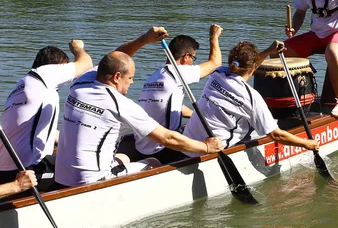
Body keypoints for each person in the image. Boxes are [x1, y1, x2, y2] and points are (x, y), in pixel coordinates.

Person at [55, 51, 223, 187]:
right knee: (153, 161)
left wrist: (145, 39)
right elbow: (167, 138)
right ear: (116, 77)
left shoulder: (80, 84)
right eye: (130, 78)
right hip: (92, 181)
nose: (133, 82)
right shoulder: (120, 103)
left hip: (62, 175)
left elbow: (113, 59)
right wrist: (206, 147)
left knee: (124, 156)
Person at [183, 41, 319, 155]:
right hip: (209, 150)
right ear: (253, 68)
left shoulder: (218, 73)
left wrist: (267, 51)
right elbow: (276, 135)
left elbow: (247, 65)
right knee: (263, 121)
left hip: (187, 143)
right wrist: (307, 143)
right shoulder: (252, 97)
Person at [0, 41, 93, 190]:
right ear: (57, 67)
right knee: (87, 166)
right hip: (26, 172)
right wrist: (77, 48)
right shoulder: (46, 73)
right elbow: (86, 63)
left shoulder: (21, 87)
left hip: (4, 171)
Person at [134, 25, 223, 164]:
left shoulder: (153, 77)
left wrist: (195, 115)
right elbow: (215, 63)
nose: (193, 62)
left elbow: (170, 106)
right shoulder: (178, 72)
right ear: (186, 56)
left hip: (141, 148)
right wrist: (214, 36)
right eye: (193, 57)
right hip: (164, 150)